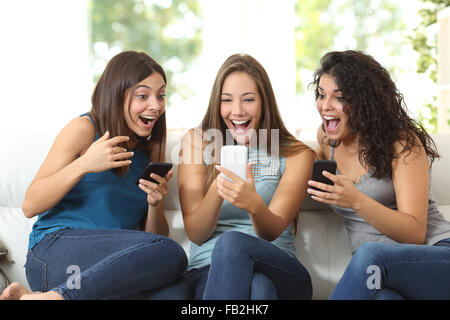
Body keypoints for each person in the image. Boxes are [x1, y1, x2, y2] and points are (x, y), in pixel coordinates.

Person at [0, 51, 187, 300]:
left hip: (106, 270)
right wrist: (85, 164)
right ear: (117, 95)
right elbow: (30, 205)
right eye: (143, 95)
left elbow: (150, 245)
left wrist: (155, 204)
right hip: (55, 254)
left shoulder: (146, 152)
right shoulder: (85, 129)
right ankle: (55, 298)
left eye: (161, 95)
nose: (156, 105)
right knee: (172, 254)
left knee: (176, 287)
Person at [160, 53, 314, 300]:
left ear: (265, 102)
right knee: (260, 288)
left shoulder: (297, 154)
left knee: (233, 243)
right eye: (227, 100)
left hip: (281, 268)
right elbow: (197, 234)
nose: (237, 111)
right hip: (210, 272)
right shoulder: (197, 142)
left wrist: (254, 204)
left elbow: (271, 232)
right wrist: (219, 184)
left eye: (249, 100)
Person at [307, 50, 450, 299]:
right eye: (321, 95)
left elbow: (415, 234)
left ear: (365, 102)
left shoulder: (400, 143)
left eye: (338, 97)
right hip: (378, 279)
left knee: (370, 256)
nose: (325, 106)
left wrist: (356, 200)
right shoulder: (327, 139)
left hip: (436, 257)